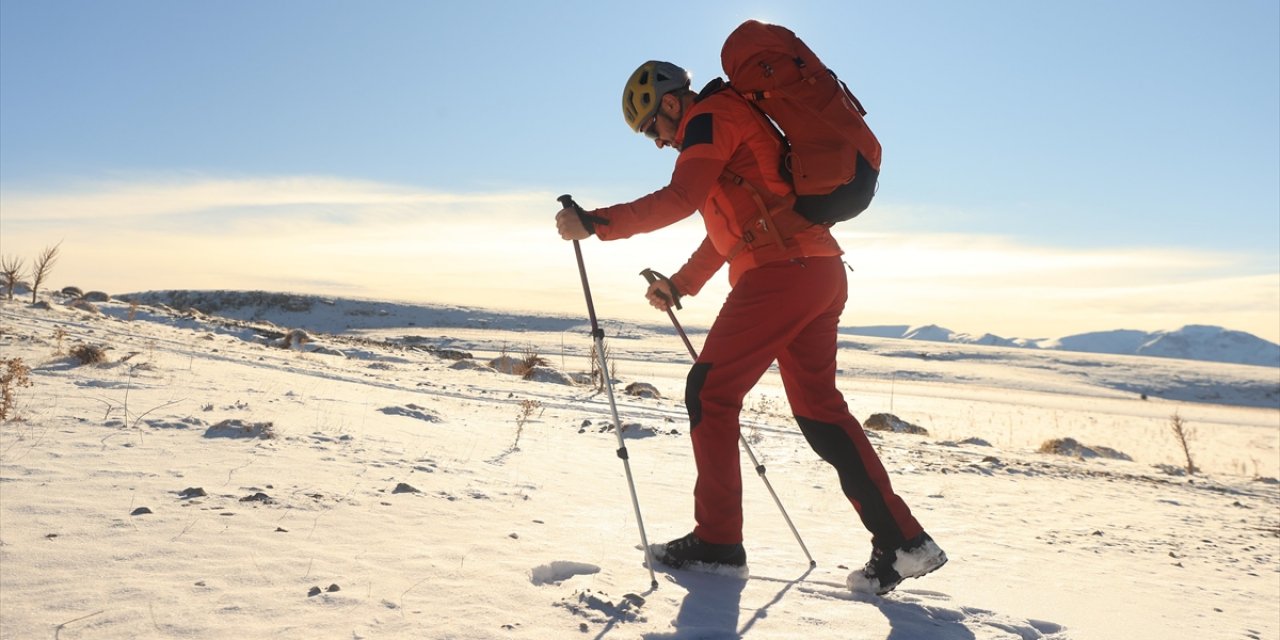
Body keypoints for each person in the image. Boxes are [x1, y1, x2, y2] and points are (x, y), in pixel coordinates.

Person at [555, 60, 946, 594]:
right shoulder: (725, 125)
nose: (657, 141)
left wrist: (597, 223)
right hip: (816, 271)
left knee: (710, 391)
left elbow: (680, 200)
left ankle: (718, 542)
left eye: (652, 127)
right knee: (820, 413)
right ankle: (905, 542)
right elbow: (729, 231)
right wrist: (681, 285)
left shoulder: (709, 118)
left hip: (782, 275)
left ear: (671, 103)